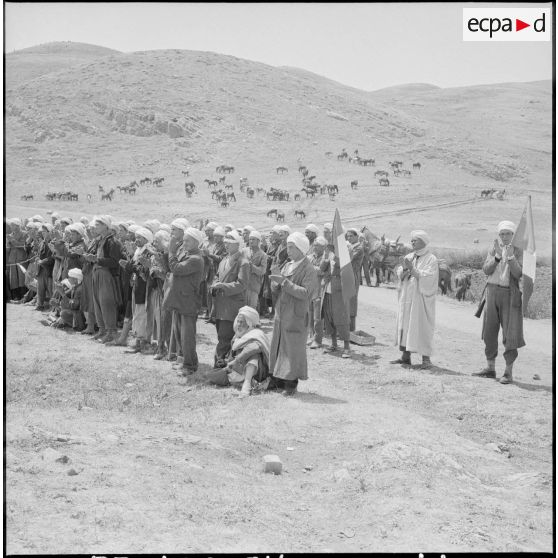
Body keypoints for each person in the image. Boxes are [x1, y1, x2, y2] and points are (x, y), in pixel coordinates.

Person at [473, 220, 525, 384]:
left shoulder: (519, 251)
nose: (504, 237)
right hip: (491, 291)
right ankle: (490, 368)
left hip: (509, 294)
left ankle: (508, 372)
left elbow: (518, 274)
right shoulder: (494, 248)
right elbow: (486, 270)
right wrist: (496, 257)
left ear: (513, 235)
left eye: (507, 233)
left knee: (510, 333)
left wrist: (510, 257)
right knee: (489, 331)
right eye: (501, 234)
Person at [269, 232, 318, 396]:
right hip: (282, 312)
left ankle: (291, 384)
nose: (288, 250)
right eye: (288, 247)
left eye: (291, 247)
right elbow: (278, 287)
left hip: (295, 314)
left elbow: (306, 293)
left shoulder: (308, 269)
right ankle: (277, 379)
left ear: (301, 249)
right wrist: (275, 282)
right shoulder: (288, 265)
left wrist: (283, 282)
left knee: (293, 349)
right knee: (279, 345)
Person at [391, 230, 438, 369]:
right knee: (405, 324)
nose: (412, 242)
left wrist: (413, 270)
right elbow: (401, 274)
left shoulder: (431, 259)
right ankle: (405, 357)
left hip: (420, 300)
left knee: (422, 326)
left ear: (423, 242)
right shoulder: (409, 256)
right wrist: (405, 270)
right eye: (411, 240)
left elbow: (429, 277)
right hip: (407, 297)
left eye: (415, 240)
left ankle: (426, 359)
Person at [162, 223, 205, 376]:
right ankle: (184, 360)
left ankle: (190, 365)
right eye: (184, 240)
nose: (184, 243)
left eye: (187, 241)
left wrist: (171, 251)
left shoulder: (196, 259)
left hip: (188, 301)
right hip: (180, 299)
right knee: (180, 332)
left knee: (187, 335)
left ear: (195, 242)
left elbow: (176, 268)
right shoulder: (187, 254)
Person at [205, 305, 271, 398]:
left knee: (253, 355)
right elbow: (233, 355)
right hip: (237, 370)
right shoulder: (238, 336)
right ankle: (241, 382)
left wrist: (236, 360)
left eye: (242, 322)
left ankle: (247, 384)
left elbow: (254, 347)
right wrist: (226, 362)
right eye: (238, 321)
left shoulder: (257, 334)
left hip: (257, 372)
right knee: (210, 375)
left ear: (249, 323)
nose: (238, 324)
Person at [211, 230, 250, 368]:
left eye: (230, 243)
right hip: (220, 305)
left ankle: (219, 367)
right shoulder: (224, 260)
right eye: (225, 243)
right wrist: (215, 283)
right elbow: (217, 275)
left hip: (232, 306)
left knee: (225, 337)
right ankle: (224, 365)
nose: (226, 245)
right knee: (221, 336)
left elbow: (242, 284)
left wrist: (223, 286)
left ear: (237, 245)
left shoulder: (243, 262)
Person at [86, 215, 123, 344]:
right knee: (97, 302)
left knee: (106, 302)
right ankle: (102, 329)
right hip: (97, 272)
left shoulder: (113, 242)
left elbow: (115, 262)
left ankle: (111, 331)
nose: (95, 227)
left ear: (106, 226)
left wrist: (97, 260)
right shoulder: (99, 241)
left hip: (106, 275)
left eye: (98, 224)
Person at [308, 236, 329, 349]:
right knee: (310, 314)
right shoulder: (311, 257)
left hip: (319, 290)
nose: (315, 247)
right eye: (314, 245)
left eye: (318, 246)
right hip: (310, 288)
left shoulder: (325, 258)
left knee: (317, 317)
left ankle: (318, 339)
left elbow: (321, 271)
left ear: (324, 247)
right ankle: (311, 337)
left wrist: (312, 268)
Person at [244, 230, 268, 310]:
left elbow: (262, 271)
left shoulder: (263, 255)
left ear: (258, 241)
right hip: (243, 283)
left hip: (254, 284)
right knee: (242, 306)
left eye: (253, 239)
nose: (251, 241)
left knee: (252, 307)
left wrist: (252, 267)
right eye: (250, 239)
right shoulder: (244, 251)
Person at [346, 228, 364, 332]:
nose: (349, 238)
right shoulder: (349, 246)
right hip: (347, 274)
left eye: (351, 236)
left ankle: (351, 328)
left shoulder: (358, 247)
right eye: (347, 236)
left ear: (357, 236)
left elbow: (349, 258)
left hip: (353, 275)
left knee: (352, 301)